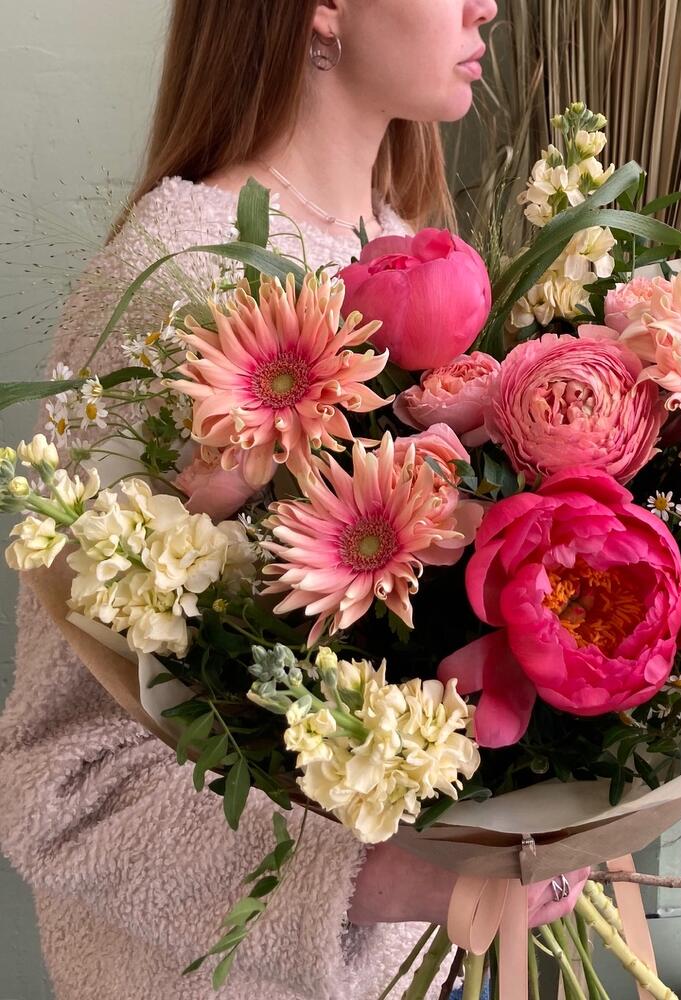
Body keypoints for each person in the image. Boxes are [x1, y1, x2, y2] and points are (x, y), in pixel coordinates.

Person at [0, 3, 586, 998]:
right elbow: (59, 781)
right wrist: (382, 880)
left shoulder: (421, 259)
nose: (486, 3)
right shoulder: (176, 278)